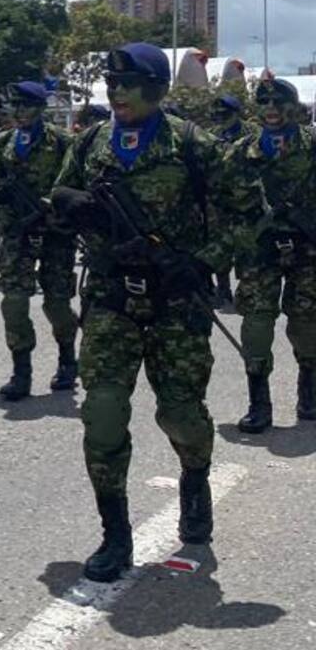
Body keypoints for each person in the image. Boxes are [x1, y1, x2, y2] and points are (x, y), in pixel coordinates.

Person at [51, 43, 261, 583]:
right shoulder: (94, 142)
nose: (115, 91)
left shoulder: (193, 146)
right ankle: (115, 534)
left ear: (157, 88)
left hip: (175, 304)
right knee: (101, 414)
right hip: (111, 301)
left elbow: (248, 210)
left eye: (128, 82)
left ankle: (195, 480)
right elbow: (62, 194)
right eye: (110, 81)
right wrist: (75, 208)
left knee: (181, 414)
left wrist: (204, 263)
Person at [225, 78, 316, 433]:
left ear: (295, 108)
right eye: (264, 102)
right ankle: (258, 401)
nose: (272, 109)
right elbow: (220, 201)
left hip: (309, 250)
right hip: (258, 252)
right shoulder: (240, 153)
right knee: (257, 326)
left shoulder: (311, 147)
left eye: (280, 103)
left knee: (307, 322)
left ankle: (309, 387)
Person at [0, 81, 78, 398]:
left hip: (55, 234)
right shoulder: (2, 142)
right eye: (15, 105)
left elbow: (77, 187)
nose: (19, 112)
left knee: (57, 303)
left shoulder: (64, 142)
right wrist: (3, 211)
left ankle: (68, 359)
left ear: (41, 108)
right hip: (17, 235)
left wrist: (53, 210)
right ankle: (21, 371)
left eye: (25, 105)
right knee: (13, 302)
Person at [209, 93, 253, 309]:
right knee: (220, 251)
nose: (220, 118)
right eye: (216, 114)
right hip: (220, 203)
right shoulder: (212, 135)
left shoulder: (253, 134)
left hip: (247, 202)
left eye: (224, 114)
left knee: (246, 249)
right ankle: (223, 290)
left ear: (236, 114)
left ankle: (246, 292)